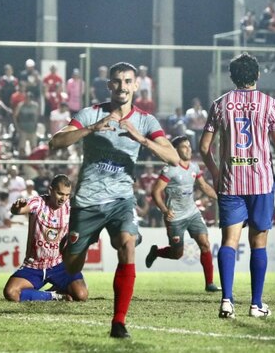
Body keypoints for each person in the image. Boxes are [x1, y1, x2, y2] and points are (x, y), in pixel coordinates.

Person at [49, 62, 179, 338]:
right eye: (117, 81)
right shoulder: (91, 113)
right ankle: (72, 245)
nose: (122, 86)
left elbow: (173, 158)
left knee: (128, 244)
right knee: (72, 265)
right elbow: (56, 142)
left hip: (121, 199)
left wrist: (141, 139)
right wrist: (91, 129)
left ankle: (118, 322)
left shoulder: (145, 120)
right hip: (87, 201)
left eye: (127, 81)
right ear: (109, 85)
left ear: (135, 85)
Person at [200, 53, 275, 319]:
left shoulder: (220, 104)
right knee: (259, 243)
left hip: (231, 182)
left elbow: (204, 147)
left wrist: (216, 173)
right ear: (258, 75)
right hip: (261, 182)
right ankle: (256, 305)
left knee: (229, 241)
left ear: (232, 76)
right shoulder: (270, 104)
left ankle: (227, 301)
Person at [145, 135, 220, 292]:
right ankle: (156, 252)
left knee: (205, 244)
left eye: (189, 146)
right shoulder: (170, 169)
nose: (189, 149)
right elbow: (156, 192)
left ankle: (210, 283)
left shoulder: (194, 167)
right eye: (184, 147)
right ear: (176, 150)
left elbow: (204, 186)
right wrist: (165, 211)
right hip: (175, 217)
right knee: (177, 254)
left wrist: (222, 198)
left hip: (192, 213)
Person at [3, 174, 88, 302]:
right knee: (11, 293)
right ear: (50, 190)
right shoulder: (38, 202)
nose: (63, 198)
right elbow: (19, 210)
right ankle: (55, 295)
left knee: (81, 295)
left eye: (67, 195)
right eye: (60, 193)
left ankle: (57, 287)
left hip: (59, 265)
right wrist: (16, 208)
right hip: (34, 266)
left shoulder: (71, 207)